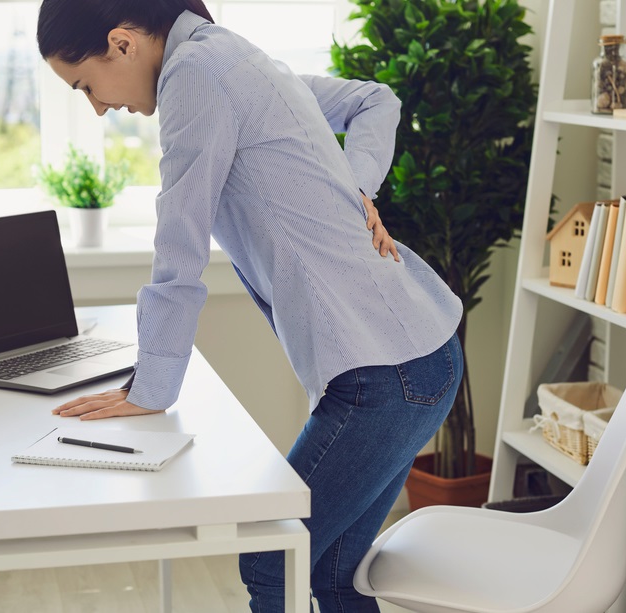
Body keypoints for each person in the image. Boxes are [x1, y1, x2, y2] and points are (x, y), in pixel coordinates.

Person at [36, 1, 463, 610]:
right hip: (420, 358)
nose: (99, 107)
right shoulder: (233, 56)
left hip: (387, 377)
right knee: (333, 575)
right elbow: (376, 98)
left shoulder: (196, 74)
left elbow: (178, 240)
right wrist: (358, 182)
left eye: (86, 85)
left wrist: (150, 388)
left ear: (123, 43)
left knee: (272, 556)